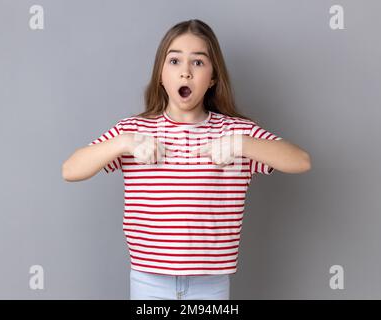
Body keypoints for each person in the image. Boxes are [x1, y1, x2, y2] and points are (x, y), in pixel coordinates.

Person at [62, 19, 311, 300]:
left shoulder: (236, 133)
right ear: (160, 75)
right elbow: (71, 170)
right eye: (175, 61)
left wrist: (240, 144)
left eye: (198, 63)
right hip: (148, 280)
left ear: (213, 77)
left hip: (211, 282)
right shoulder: (134, 131)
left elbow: (300, 161)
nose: (185, 73)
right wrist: (123, 143)